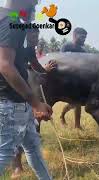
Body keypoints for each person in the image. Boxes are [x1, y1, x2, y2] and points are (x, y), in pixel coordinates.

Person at [0, 0, 53, 179]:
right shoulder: (10, 23)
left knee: (33, 148)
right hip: (9, 103)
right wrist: (36, 103)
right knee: (4, 154)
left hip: (17, 102)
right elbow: (5, 65)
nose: (36, 5)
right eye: (35, 2)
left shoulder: (8, 18)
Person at [12, 27, 57, 178]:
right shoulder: (13, 45)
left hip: (26, 92)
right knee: (16, 132)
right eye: (33, 37)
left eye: (37, 37)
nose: (35, 41)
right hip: (12, 93)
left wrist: (45, 70)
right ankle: (17, 167)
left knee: (30, 132)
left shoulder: (30, 50)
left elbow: (35, 66)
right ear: (24, 35)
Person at [60, 27, 87, 129]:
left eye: (85, 37)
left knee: (76, 102)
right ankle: (75, 124)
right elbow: (60, 60)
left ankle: (72, 122)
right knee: (75, 102)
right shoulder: (66, 46)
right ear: (75, 35)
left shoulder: (83, 51)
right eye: (82, 37)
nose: (84, 39)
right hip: (66, 79)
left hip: (78, 80)